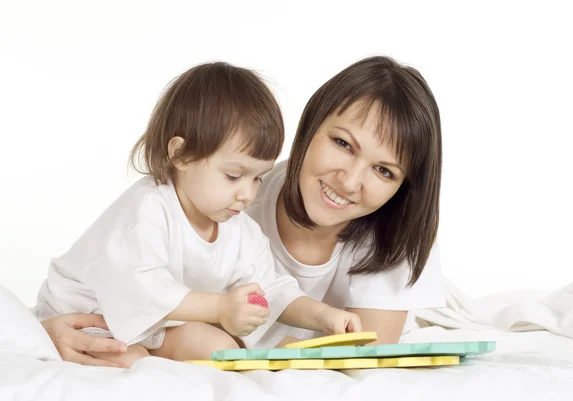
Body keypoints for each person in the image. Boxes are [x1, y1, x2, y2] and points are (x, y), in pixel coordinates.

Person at [42, 55, 444, 364]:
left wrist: (322, 317)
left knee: (213, 347)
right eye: (343, 143)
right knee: (136, 359)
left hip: (163, 322)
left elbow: (268, 288)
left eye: (383, 170)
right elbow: (136, 286)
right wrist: (222, 309)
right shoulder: (166, 205)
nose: (350, 180)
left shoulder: (233, 212)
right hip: (99, 310)